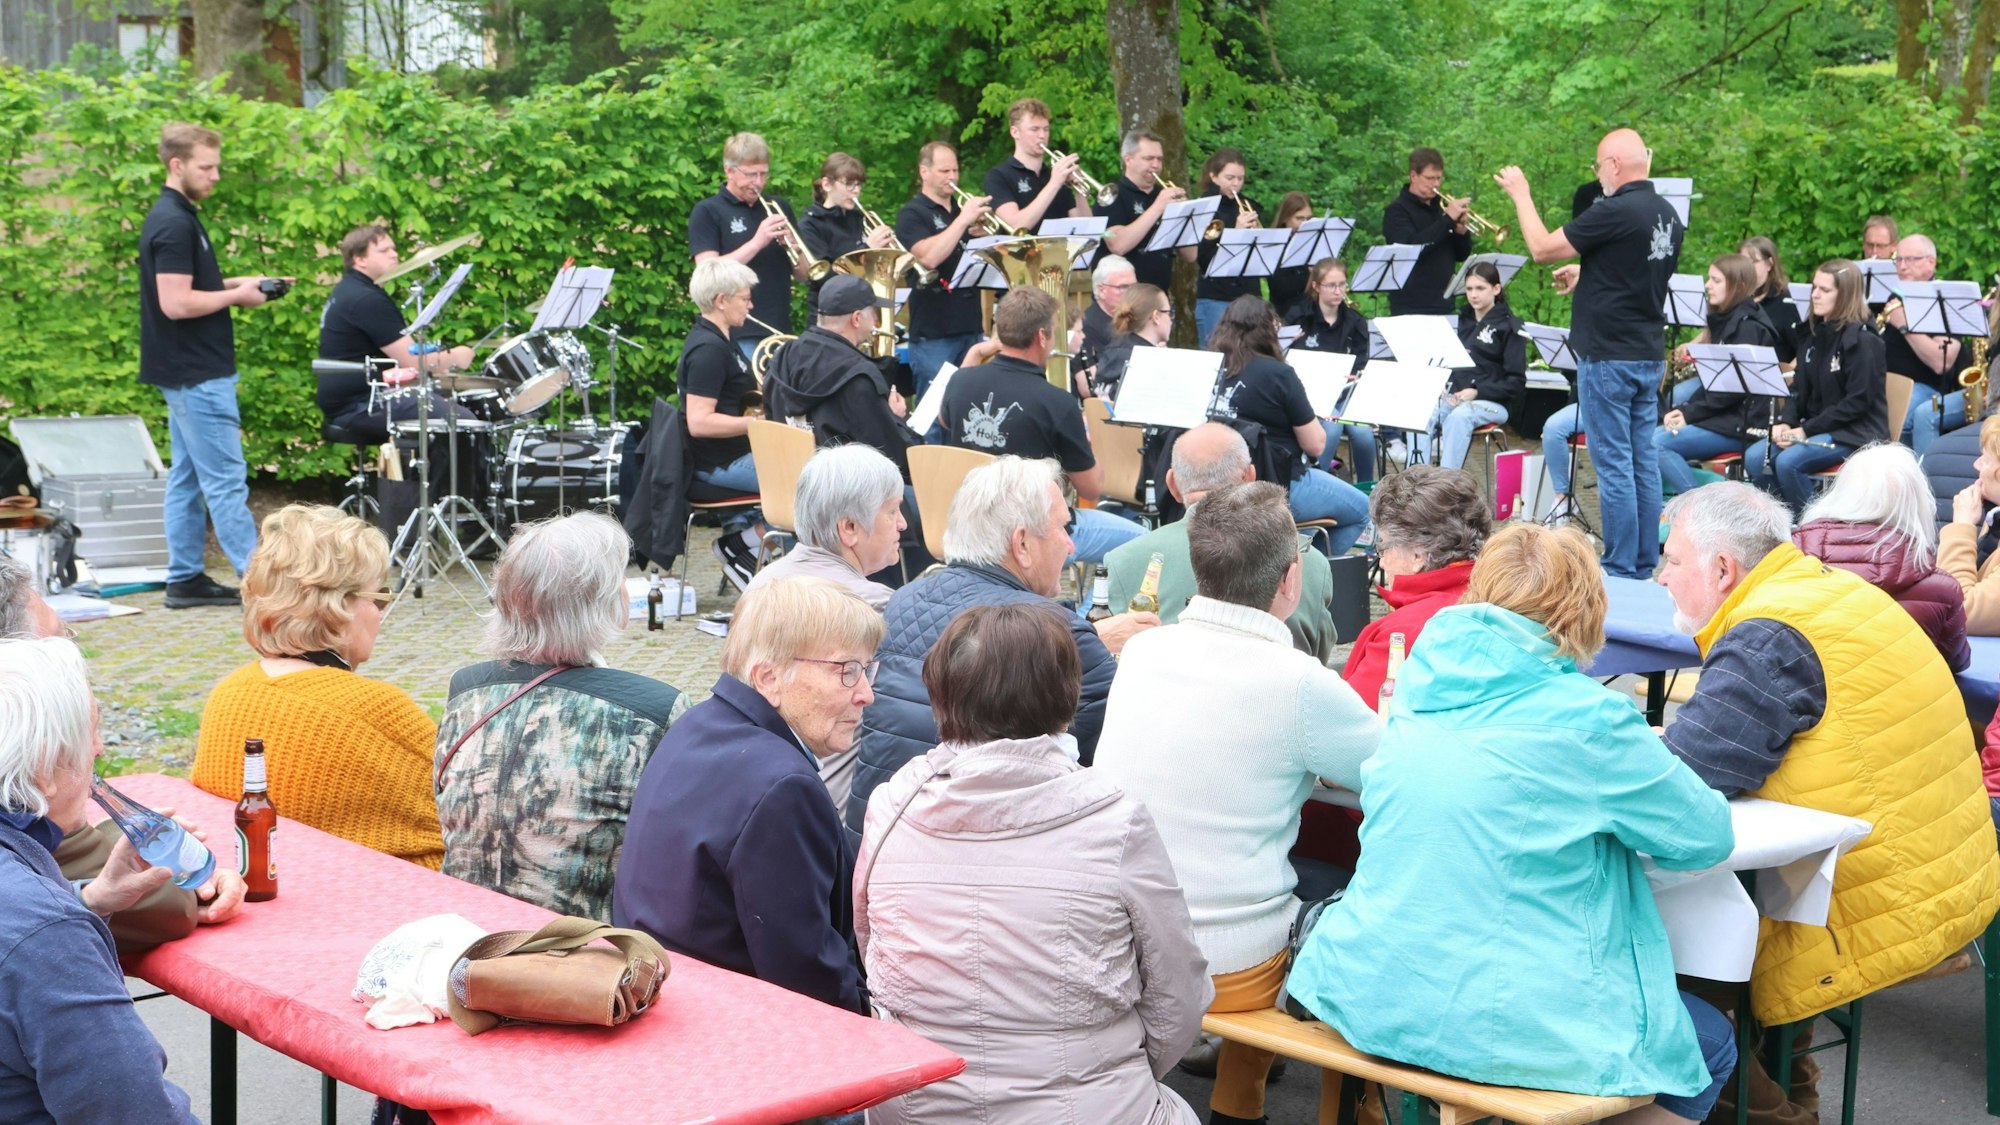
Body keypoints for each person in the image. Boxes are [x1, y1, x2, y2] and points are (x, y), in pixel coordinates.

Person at [1289, 523, 1740, 1125]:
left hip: (1376, 992)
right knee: (1708, 1043)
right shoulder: (1593, 721)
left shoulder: (1419, 692)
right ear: (1584, 611)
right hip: (1500, 1020)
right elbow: (1705, 836)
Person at [1657, 482, 1999, 1119]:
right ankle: (1795, 1087)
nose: (1659, 577)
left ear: (1723, 568)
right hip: (1936, 876)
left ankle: (1775, 1110)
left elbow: (1681, 783)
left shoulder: (1769, 633)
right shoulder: (1828, 591)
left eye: (1671, 561)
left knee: (1669, 975)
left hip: (1869, 897)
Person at [856, 602, 1211, 1125]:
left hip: (914, 1105)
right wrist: (1111, 1070)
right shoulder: (1115, 820)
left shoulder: (891, 807)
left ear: (941, 696)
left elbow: (870, 947)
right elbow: (1178, 992)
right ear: (1064, 698)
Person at [1094, 481, 1380, 1125]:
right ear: (1292, 577)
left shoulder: (1140, 651)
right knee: (1321, 900)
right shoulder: (1302, 684)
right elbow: (1393, 772)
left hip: (1117, 937)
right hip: (1230, 968)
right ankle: (1240, 1105)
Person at [845, 456, 1157, 836]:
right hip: (978, 858)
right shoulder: (1060, 635)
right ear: (1022, 543)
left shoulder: (901, 602)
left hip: (878, 839)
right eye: (1062, 527)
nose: (1071, 545)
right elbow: (1109, 772)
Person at [612, 577, 879, 1013]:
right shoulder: (782, 787)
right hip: (722, 1033)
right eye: (847, 671)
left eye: (868, 669)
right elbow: (810, 988)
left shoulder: (698, 724)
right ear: (769, 678)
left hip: (665, 999)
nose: (866, 693)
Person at [434, 512, 685, 920]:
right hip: (580, 954)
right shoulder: (655, 710)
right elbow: (674, 860)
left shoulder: (466, 690)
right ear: (608, 603)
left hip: (463, 933)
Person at [0, 637, 204, 1123]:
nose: (100, 748)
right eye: (91, 731)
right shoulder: (46, 936)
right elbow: (131, 1111)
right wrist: (63, 919)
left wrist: (89, 899)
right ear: (47, 767)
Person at [0, 558, 248, 951]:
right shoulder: (25, 816)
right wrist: (133, 842)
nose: (99, 749)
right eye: (59, 642)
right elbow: (170, 907)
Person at [192, 504, 443, 868]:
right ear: (340, 606)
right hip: (372, 901)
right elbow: (471, 812)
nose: (381, 614)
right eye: (379, 598)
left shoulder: (229, 691)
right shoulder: (376, 710)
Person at [1496, 128, 1686, 579]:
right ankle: (1643, 562)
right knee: (1641, 458)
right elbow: (1637, 276)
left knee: (1614, 462)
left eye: (1599, 166)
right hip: (1646, 354)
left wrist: (1521, 194)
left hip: (1609, 357)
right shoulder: (1667, 214)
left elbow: (1542, 248)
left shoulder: (1616, 209)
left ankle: (1620, 565)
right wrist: (1589, 275)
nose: (1598, 175)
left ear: (1616, 165)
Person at [140, 122, 284, 610]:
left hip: (184, 371)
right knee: (225, 480)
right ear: (176, 165)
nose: (215, 175)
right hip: (197, 374)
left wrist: (245, 283)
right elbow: (176, 303)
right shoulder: (174, 223)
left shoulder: (176, 216)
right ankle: (258, 584)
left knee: (187, 477)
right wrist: (239, 296)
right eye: (206, 166)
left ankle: (183, 579)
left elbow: (195, 284)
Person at [939, 287, 1145, 563]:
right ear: (1041, 336)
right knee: (1145, 544)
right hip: (1033, 535)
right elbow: (1092, 489)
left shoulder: (960, 381)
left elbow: (945, 419)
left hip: (971, 525)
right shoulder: (1057, 402)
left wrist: (976, 353)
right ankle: (1088, 608)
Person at [1108, 423, 1339, 661]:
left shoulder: (1124, 562)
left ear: (1172, 485)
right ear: (1249, 476)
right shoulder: (1308, 558)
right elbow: (1318, 655)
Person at [1209, 296, 1371, 550]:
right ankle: (1313, 579)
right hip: (1279, 481)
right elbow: (1316, 445)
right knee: (1364, 510)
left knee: (1305, 524)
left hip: (1221, 481)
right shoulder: (1278, 373)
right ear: (1268, 329)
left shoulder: (1214, 367)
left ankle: (1293, 561)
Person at [1792, 443, 1968, 671]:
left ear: (1839, 492)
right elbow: (1957, 663)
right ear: (1918, 502)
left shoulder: (1786, 561)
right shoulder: (1941, 589)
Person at [1744, 259, 1887, 513]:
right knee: (1755, 458)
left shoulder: (1864, 341)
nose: (1815, 295)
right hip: (1815, 428)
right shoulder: (1813, 333)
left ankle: (1812, 527)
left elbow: (1857, 402)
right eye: (1814, 287)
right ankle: (1782, 523)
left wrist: (1806, 430)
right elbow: (1797, 387)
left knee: (1789, 463)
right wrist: (1786, 422)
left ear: (1844, 295)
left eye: (1825, 290)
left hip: (1854, 431)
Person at [1342, 465, 1491, 707]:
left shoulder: (1401, 634)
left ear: (1417, 556)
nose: (1381, 561)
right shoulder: (1500, 597)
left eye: (1384, 547)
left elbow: (1354, 719)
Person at [315, 223, 479, 442]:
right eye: (384, 251)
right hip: (360, 404)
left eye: (393, 249)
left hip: (360, 397)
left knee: (460, 403)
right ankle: (440, 478)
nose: (394, 255)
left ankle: (420, 474)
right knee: (461, 423)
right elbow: (414, 361)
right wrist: (458, 355)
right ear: (359, 259)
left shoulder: (351, 290)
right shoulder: (365, 299)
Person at [1653, 253, 1782, 494]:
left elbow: (1731, 391)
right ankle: (1700, 495)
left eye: (1715, 280)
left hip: (1743, 423)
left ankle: (1698, 505)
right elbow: (1715, 385)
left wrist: (1690, 413)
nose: (1707, 285)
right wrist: (1687, 409)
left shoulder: (1749, 328)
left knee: (1657, 444)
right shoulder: (1725, 320)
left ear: (1737, 285)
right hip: (1724, 415)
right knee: (1653, 435)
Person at [761, 275, 916, 475]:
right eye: (874, 315)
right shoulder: (859, 375)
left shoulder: (781, 357)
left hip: (791, 482)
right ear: (857, 318)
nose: (875, 323)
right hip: (847, 493)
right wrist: (894, 418)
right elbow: (893, 460)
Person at [745, 443, 906, 627]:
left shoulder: (761, 584)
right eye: (892, 511)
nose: (902, 524)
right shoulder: (874, 607)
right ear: (850, 527)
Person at [678, 257, 765, 584]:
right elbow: (699, 422)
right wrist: (757, 425)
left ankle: (749, 554)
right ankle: (743, 547)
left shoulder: (722, 340)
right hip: (717, 464)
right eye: (744, 299)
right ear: (721, 301)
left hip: (733, 454)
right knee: (808, 488)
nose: (751, 305)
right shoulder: (708, 350)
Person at [689, 132, 806, 358]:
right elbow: (706, 271)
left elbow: (804, 275)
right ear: (729, 171)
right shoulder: (708, 211)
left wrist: (794, 246)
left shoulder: (777, 206)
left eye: (764, 174)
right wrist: (757, 242)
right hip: (737, 330)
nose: (759, 183)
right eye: (751, 175)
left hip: (779, 327)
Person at [896, 142, 992, 399]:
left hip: (971, 326)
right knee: (933, 416)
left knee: (972, 409)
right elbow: (928, 257)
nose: (952, 177)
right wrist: (962, 221)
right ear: (924, 172)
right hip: (933, 333)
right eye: (944, 171)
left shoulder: (963, 212)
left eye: (955, 170)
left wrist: (984, 238)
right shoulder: (911, 214)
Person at [1423, 261, 1525, 471]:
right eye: (1469, 289)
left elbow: (1516, 383)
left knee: (1460, 417)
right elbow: (1443, 359)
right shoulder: (1460, 322)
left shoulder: (1511, 327)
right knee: (1420, 411)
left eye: (1480, 288)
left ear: (1496, 289)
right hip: (1453, 397)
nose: (1473, 294)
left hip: (1492, 403)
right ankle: (1415, 481)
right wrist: (1438, 382)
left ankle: (1445, 486)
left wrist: (1477, 391)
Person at [1288, 257, 1376, 482]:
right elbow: (1283, 356)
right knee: (1333, 426)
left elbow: (1362, 360)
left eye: (1342, 285)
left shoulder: (1354, 321)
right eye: (1331, 286)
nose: (1338, 291)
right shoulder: (1299, 317)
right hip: (1310, 396)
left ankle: (1367, 486)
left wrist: (1356, 374)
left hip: (1345, 394)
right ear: (1316, 287)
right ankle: (1317, 480)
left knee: (1363, 433)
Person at [1883, 234, 1968, 454]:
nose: (1902, 266)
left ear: (1931, 262)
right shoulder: (1896, 296)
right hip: (1888, 382)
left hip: (1926, 387)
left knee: (1900, 415)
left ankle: (1912, 481)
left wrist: (1905, 326)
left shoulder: (1948, 300)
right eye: (1898, 260)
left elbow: (1942, 362)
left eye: (1910, 259)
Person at [1381, 146, 1472, 316]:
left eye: (1438, 178)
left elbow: (1462, 255)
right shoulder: (1397, 211)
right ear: (1413, 176)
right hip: (1411, 306)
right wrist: (1447, 220)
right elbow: (1412, 248)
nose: (1436, 184)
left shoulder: (1441, 208)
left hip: (1445, 304)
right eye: (1430, 178)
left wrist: (1462, 231)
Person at [797, 151, 894, 307]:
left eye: (858, 185)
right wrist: (867, 249)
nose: (856, 191)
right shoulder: (811, 224)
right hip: (830, 312)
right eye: (849, 184)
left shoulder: (860, 219)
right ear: (827, 184)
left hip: (864, 309)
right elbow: (825, 279)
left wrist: (887, 253)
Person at [982, 97, 1089, 234]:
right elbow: (1017, 226)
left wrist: (1079, 191)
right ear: (1015, 132)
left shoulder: (1056, 174)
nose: (1042, 135)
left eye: (1046, 129)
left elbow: (1085, 230)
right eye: (1034, 129)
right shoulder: (998, 176)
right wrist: (1054, 183)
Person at [1192, 149, 1264, 345]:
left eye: (1240, 179)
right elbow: (1205, 260)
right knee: (1217, 355)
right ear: (1214, 177)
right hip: (1216, 297)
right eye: (1230, 178)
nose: (1236, 184)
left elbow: (1262, 256)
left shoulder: (1249, 206)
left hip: (1249, 294)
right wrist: (1237, 232)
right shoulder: (1204, 208)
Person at [1941, 414, 2000, 634]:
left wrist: (1962, 526)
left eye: (1985, 460)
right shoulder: (1995, 516)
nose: (1976, 464)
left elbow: (1958, 610)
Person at [1093, 281, 1171, 401]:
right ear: (1156, 317)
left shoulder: (1115, 349)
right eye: (1169, 313)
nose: (1171, 320)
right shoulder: (1144, 360)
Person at [1739, 235, 1802, 362]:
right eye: (1743, 262)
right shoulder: (1737, 298)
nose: (1746, 268)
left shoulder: (1785, 302)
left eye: (1753, 262)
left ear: (1769, 264)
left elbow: (1801, 348)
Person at [1077, 253, 1137, 380]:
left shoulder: (1138, 317)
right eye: (1123, 287)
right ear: (1102, 290)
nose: (1132, 293)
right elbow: (1088, 385)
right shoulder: (1086, 327)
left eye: (1135, 286)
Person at [1265, 191, 1314, 318]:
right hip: (1285, 314)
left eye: (1308, 219)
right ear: (1285, 218)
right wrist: (1311, 274)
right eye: (1299, 218)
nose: (1305, 224)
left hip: (1312, 310)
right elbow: (1280, 289)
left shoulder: (1314, 241)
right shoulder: (1274, 243)